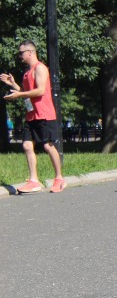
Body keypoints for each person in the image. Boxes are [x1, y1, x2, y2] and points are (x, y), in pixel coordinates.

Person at [1, 40, 65, 193]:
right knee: (27, 145)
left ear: (30, 52)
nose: (20, 56)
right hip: (31, 115)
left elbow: (40, 91)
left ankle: (59, 179)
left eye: (21, 53)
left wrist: (18, 95)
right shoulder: (27, 72)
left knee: (48, 146)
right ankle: (34, 181)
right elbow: (27, 93)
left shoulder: (40, 68)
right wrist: (13, 85)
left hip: (44, 114)